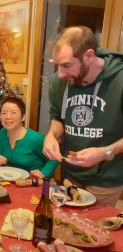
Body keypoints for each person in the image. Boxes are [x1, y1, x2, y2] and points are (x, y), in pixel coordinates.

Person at [43, 26, 123, 206]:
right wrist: (51, 136)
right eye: (57, 65)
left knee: (92, 230)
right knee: (65, 225)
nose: (60, 74)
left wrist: (104, 152)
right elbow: (58, 118)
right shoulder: (59, 81)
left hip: (105, 179)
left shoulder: (120, 80)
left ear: (88, 56)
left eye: (67, 65)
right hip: (69, 176)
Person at [0, 97, 58, 178]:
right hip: (10, 180)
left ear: (23, 116)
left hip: (33, 182)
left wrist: (43, 173)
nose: (8, 117)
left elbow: (54, 158)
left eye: (13, 112)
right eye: (4, 113)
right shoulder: (2, 132)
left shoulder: (35, 138)